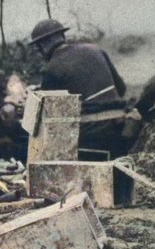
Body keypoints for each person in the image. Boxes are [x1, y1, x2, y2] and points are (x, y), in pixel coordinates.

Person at [29, 19, 138, 157]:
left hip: (92, 134)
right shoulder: (95, 49)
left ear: (42, 45)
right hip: (121, 125)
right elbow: (121, 89)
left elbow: (52, 117)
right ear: (62, 36)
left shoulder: (51, 69)